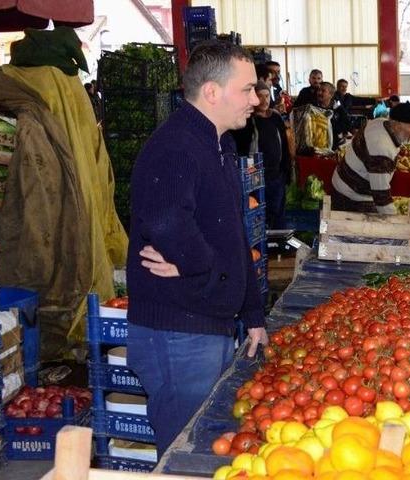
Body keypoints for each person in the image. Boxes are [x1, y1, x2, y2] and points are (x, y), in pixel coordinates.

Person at [125, 40, 268, 457]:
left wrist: (251, 311)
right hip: (177, 332)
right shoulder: (176, 147)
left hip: (205, 322)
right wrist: (200, 266)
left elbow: (232, 233)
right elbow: (167, 221)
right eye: (247, 89)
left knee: (205, 443)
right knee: (185, 452)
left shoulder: (216, 144)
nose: (256, 99)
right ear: (211, 91)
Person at [331, 102, 410, 213]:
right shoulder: (381, 149)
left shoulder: (380, 122)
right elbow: (381, 197)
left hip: (344, 183)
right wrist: (395, 223)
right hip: (350, 197)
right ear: (397, 125)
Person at [231, 81, 292, 229]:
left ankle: (279, 244)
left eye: (267, 96)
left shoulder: (275, 117)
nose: (265, 100)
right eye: (260, 96)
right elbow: (242, 150)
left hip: (276, 175)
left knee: (278, 212)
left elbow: (284, 144)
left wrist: (287, 169)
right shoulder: (247, 121)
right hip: (257, 177)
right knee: (261, 214)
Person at [317, 81, 351, 149]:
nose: (319, 92)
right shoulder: (313, 108)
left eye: (323, 91)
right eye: (318, 90)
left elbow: (346, 120)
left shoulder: (338, 108)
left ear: (331, 95)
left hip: (335, 142)